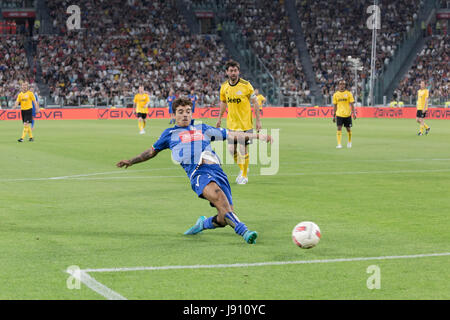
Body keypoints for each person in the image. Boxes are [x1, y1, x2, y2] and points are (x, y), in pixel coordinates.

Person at [116, 97, 272, 244]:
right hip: (199, 173)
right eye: (181, 112)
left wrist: (257, 136)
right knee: (218, 197)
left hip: (218, 172)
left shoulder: (202, 128)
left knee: (224, 217)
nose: (185, 115)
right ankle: (244, 231)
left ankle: (202, 224)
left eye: (188, 111)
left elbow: (230, 134)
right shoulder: (169, 134)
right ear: (174, 114)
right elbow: (150, 152)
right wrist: (131, 161)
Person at [216, 60, 261, 185]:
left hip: (245, 123)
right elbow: (223, 103)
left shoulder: (246, 85)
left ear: (238, 71)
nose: (233, 73)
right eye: (231, 71)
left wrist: (258, 121)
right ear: (227, 72)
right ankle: (243, 168)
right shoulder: (224, 87)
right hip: (232, 124)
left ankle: (244, 176)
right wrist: (219, 118)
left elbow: (255, 103)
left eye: (235, 70)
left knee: (242, 148)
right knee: (231, 150)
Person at [332, 80, 356, 149]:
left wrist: (354, 113)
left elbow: (352, 104)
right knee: (339, 128)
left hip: (347, 114)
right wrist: (334, 116)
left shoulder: (348, 94)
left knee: (348, 129)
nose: (342, 85)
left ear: (345, 85)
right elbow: (335, 106)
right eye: (340, 84)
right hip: (339, 114)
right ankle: (339, 144)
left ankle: (349, 141)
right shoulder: (336, 94)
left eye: (343, 84)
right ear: (338, 85)